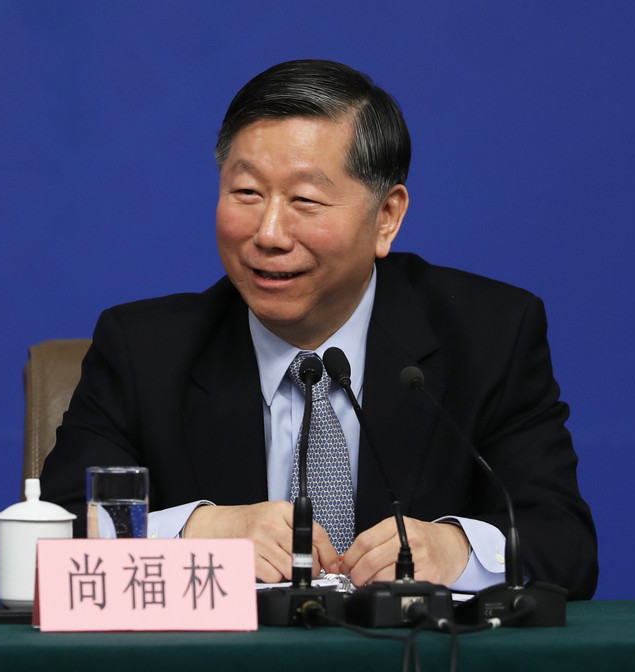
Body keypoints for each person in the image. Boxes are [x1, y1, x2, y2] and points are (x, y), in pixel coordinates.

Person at [40, 59, 598, 600]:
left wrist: (455, 548)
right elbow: (53, 535)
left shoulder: (488, 335)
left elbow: (564, 547)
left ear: (387, 218)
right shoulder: (144, 350)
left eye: (305, 200)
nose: (270, 233)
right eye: (247, 194)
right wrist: (196, 534)